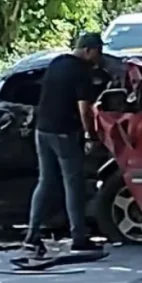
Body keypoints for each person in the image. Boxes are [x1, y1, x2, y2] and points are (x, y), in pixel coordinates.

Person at [23, 32, 105, 255]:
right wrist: (90, 135)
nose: (100, 57)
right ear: (88, 50)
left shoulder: (57, 63)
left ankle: (32, 234)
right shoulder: (81, 71)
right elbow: (84, 108)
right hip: (65, 133)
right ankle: (79, 237)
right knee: (73, 184)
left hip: (42, 130)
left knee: (45, 182)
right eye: (99, 51)